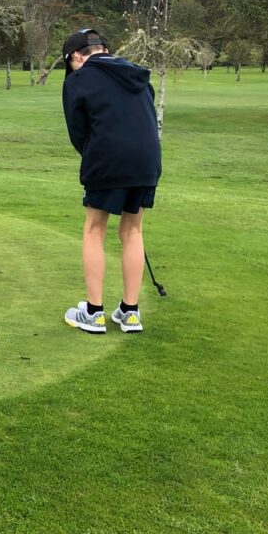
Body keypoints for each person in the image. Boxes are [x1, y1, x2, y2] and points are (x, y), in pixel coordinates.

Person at [60, 29, 161, 334]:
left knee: (94, 228)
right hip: (147, 159)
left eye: (71, 63)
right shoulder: (138, 74)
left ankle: (93, 313)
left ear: (77, 55)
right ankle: (130, 312)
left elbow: (78, 132)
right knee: (132, 229)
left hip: (108, 158)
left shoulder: (78, 80)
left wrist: (93, 156)